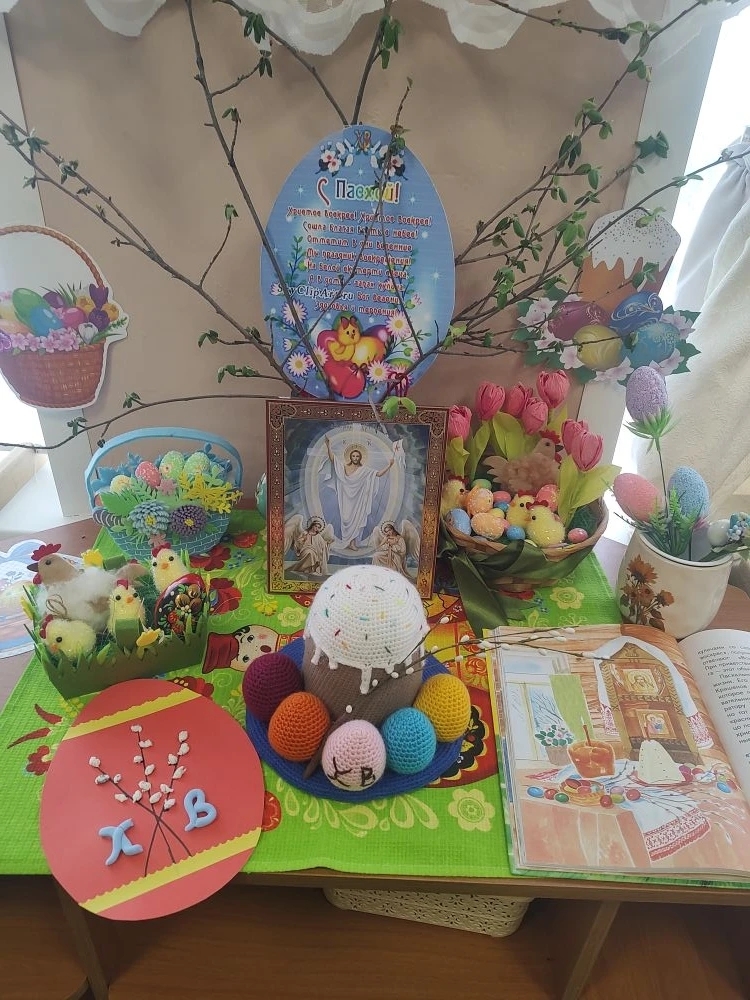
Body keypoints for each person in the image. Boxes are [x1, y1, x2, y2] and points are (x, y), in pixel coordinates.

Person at [323, 437, 395, 551]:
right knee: (346, 519)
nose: (355, 458)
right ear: (350, 457)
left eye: (357, 456)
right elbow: (333, 460)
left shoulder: (364, 470)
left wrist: (389, 465)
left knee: (356, 521)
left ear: (360, 457)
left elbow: (378, 474)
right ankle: (347, 542)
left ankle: (352, 543)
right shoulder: (344, 467)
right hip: (346, 498)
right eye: (353, 456)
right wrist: (328, 446)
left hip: (358, 500)